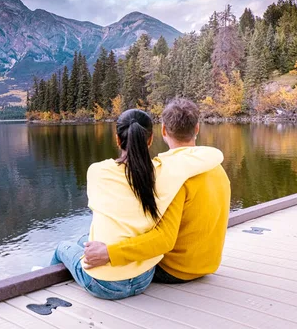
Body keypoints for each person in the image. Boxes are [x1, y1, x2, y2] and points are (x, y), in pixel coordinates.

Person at [50, 107, 223, 299]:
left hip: (124, 279)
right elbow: (211, 155)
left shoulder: (98, 171)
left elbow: (164, 239)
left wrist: (110, 252)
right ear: (150, 139)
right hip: (151, 274)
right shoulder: (172, 171)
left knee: (64, 247)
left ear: (117, 139)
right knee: (85, 241)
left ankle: (45, 289)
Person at [82, 98, 231, 284]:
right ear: (197, 128)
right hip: (208, 263)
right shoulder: (215, 166)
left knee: (87, 243)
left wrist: (110, 253)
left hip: (175, 269)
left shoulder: (174, 175)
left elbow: (163, 239)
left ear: (163, 131)